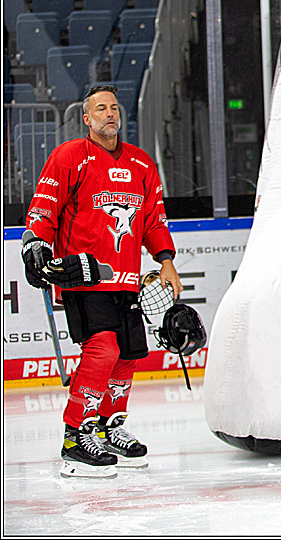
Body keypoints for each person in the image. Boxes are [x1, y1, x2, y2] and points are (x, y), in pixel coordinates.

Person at [21, 84, 183, 479]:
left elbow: (152, 222)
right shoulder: (69, 157)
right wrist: (34, 245)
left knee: (127, 355)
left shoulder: (142, 164)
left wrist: (166, 261)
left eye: (114, 108)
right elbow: (43, 209)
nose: (110, 114)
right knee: (103, 348)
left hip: (127, 280)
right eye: (101, 109)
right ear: (86, 118)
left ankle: (110, 427)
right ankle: (76, 435)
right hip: (85, 275)